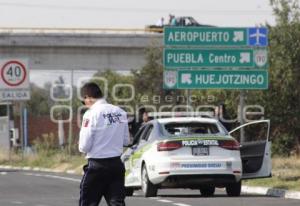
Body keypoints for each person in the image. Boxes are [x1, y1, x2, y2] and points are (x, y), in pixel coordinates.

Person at [78, 82, 130, 206]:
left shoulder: (91, 114)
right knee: (117, 203)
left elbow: (84, 146)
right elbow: (126, 141)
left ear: (88, 97)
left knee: (88, 202)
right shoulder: (120, 112)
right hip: (116, 165)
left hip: (97, 166)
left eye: (84, 101)